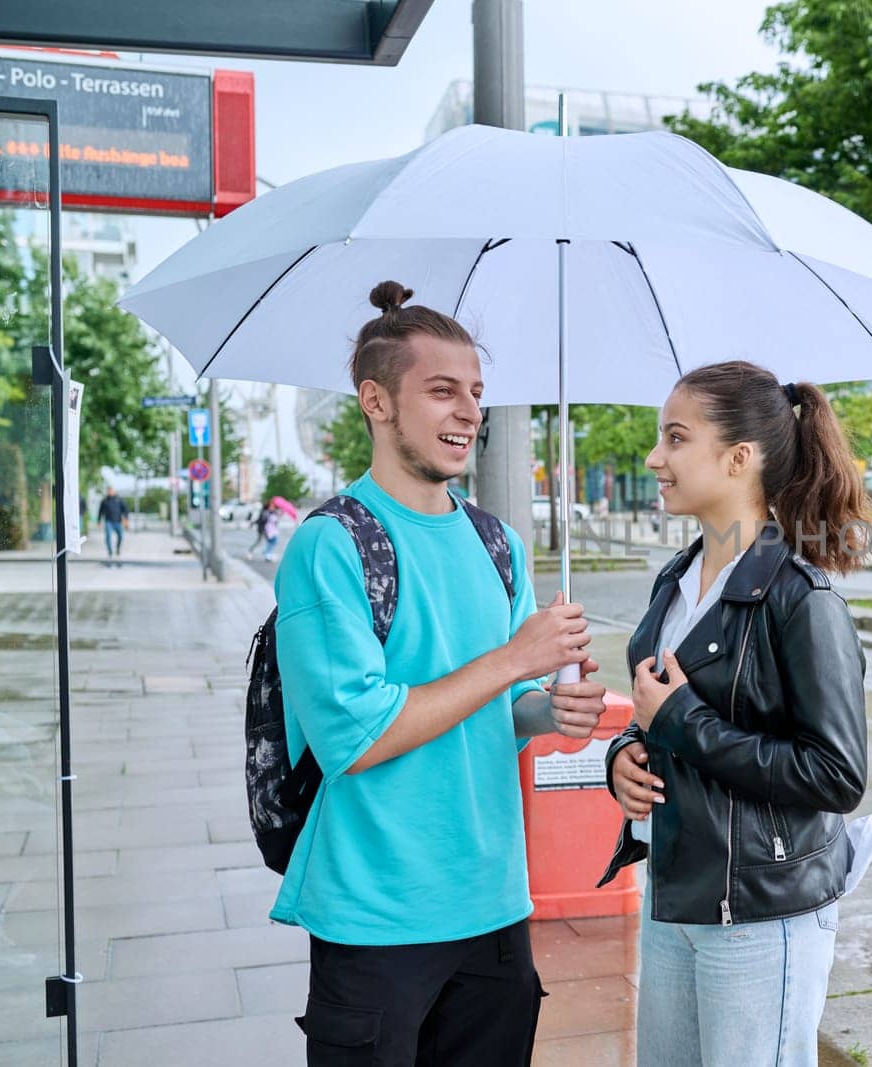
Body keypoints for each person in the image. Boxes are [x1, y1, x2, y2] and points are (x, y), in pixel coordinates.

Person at [273, 280, 606, 1066]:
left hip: (494, 909)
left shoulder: (499, 545)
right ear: (377, 402)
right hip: (377, 919)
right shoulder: (333, 544)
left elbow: (511, 705)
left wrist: (552, 709)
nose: (469, 412)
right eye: (442, 390)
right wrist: (512, 658)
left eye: (478, 394)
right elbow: (356, 735)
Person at [598, 360, 872, 1066]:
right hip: (674, 892)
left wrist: (679, 722)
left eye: (676, 438)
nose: (655, 458)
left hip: (762, 912)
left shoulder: (801, 598)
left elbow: (836, 774)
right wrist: (625, 757)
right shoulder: (676, 579)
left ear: (739, 458)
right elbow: (659, 710)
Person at [96, 486, 128, 558]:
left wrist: (125, 519)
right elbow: (100, 512)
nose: (110, 492)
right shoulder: (104, 501)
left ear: (114, 491)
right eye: (109, 490)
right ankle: (110, 552)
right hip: (108, 522)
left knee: (120, 536)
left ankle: (118, 549)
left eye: (111, 490)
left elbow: (125, 510)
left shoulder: (119, 499)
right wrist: (99, 521)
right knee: (108, 536)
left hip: (118, 521)